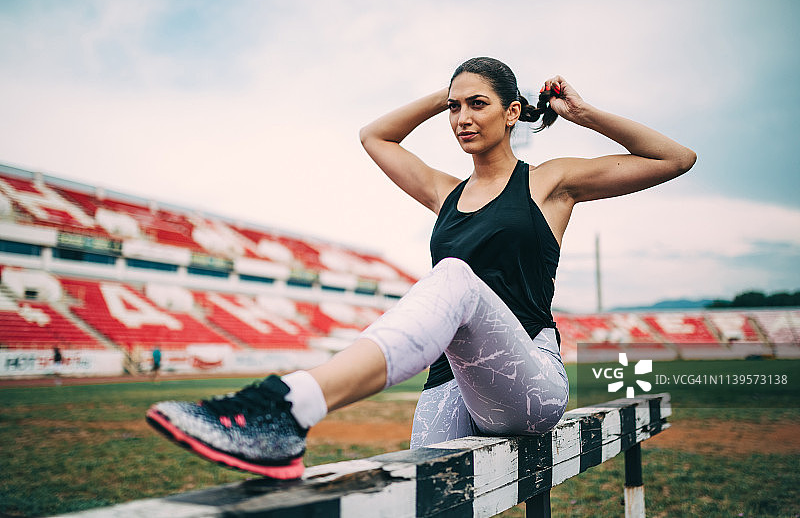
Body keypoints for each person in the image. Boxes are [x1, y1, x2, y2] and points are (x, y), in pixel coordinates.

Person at [146, 57, 696, 480]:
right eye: (455, 108)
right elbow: (374, 136)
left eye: (477, 104)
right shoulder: (444, 193)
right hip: (448, 382)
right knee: (427, 501)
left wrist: (584, 114)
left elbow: (675, 159)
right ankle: (287, 413)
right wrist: (446, 91)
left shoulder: (549, 182)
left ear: (512, 113)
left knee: (454, 275)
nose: (461, 118)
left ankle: (289, 407)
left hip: (529, 380)